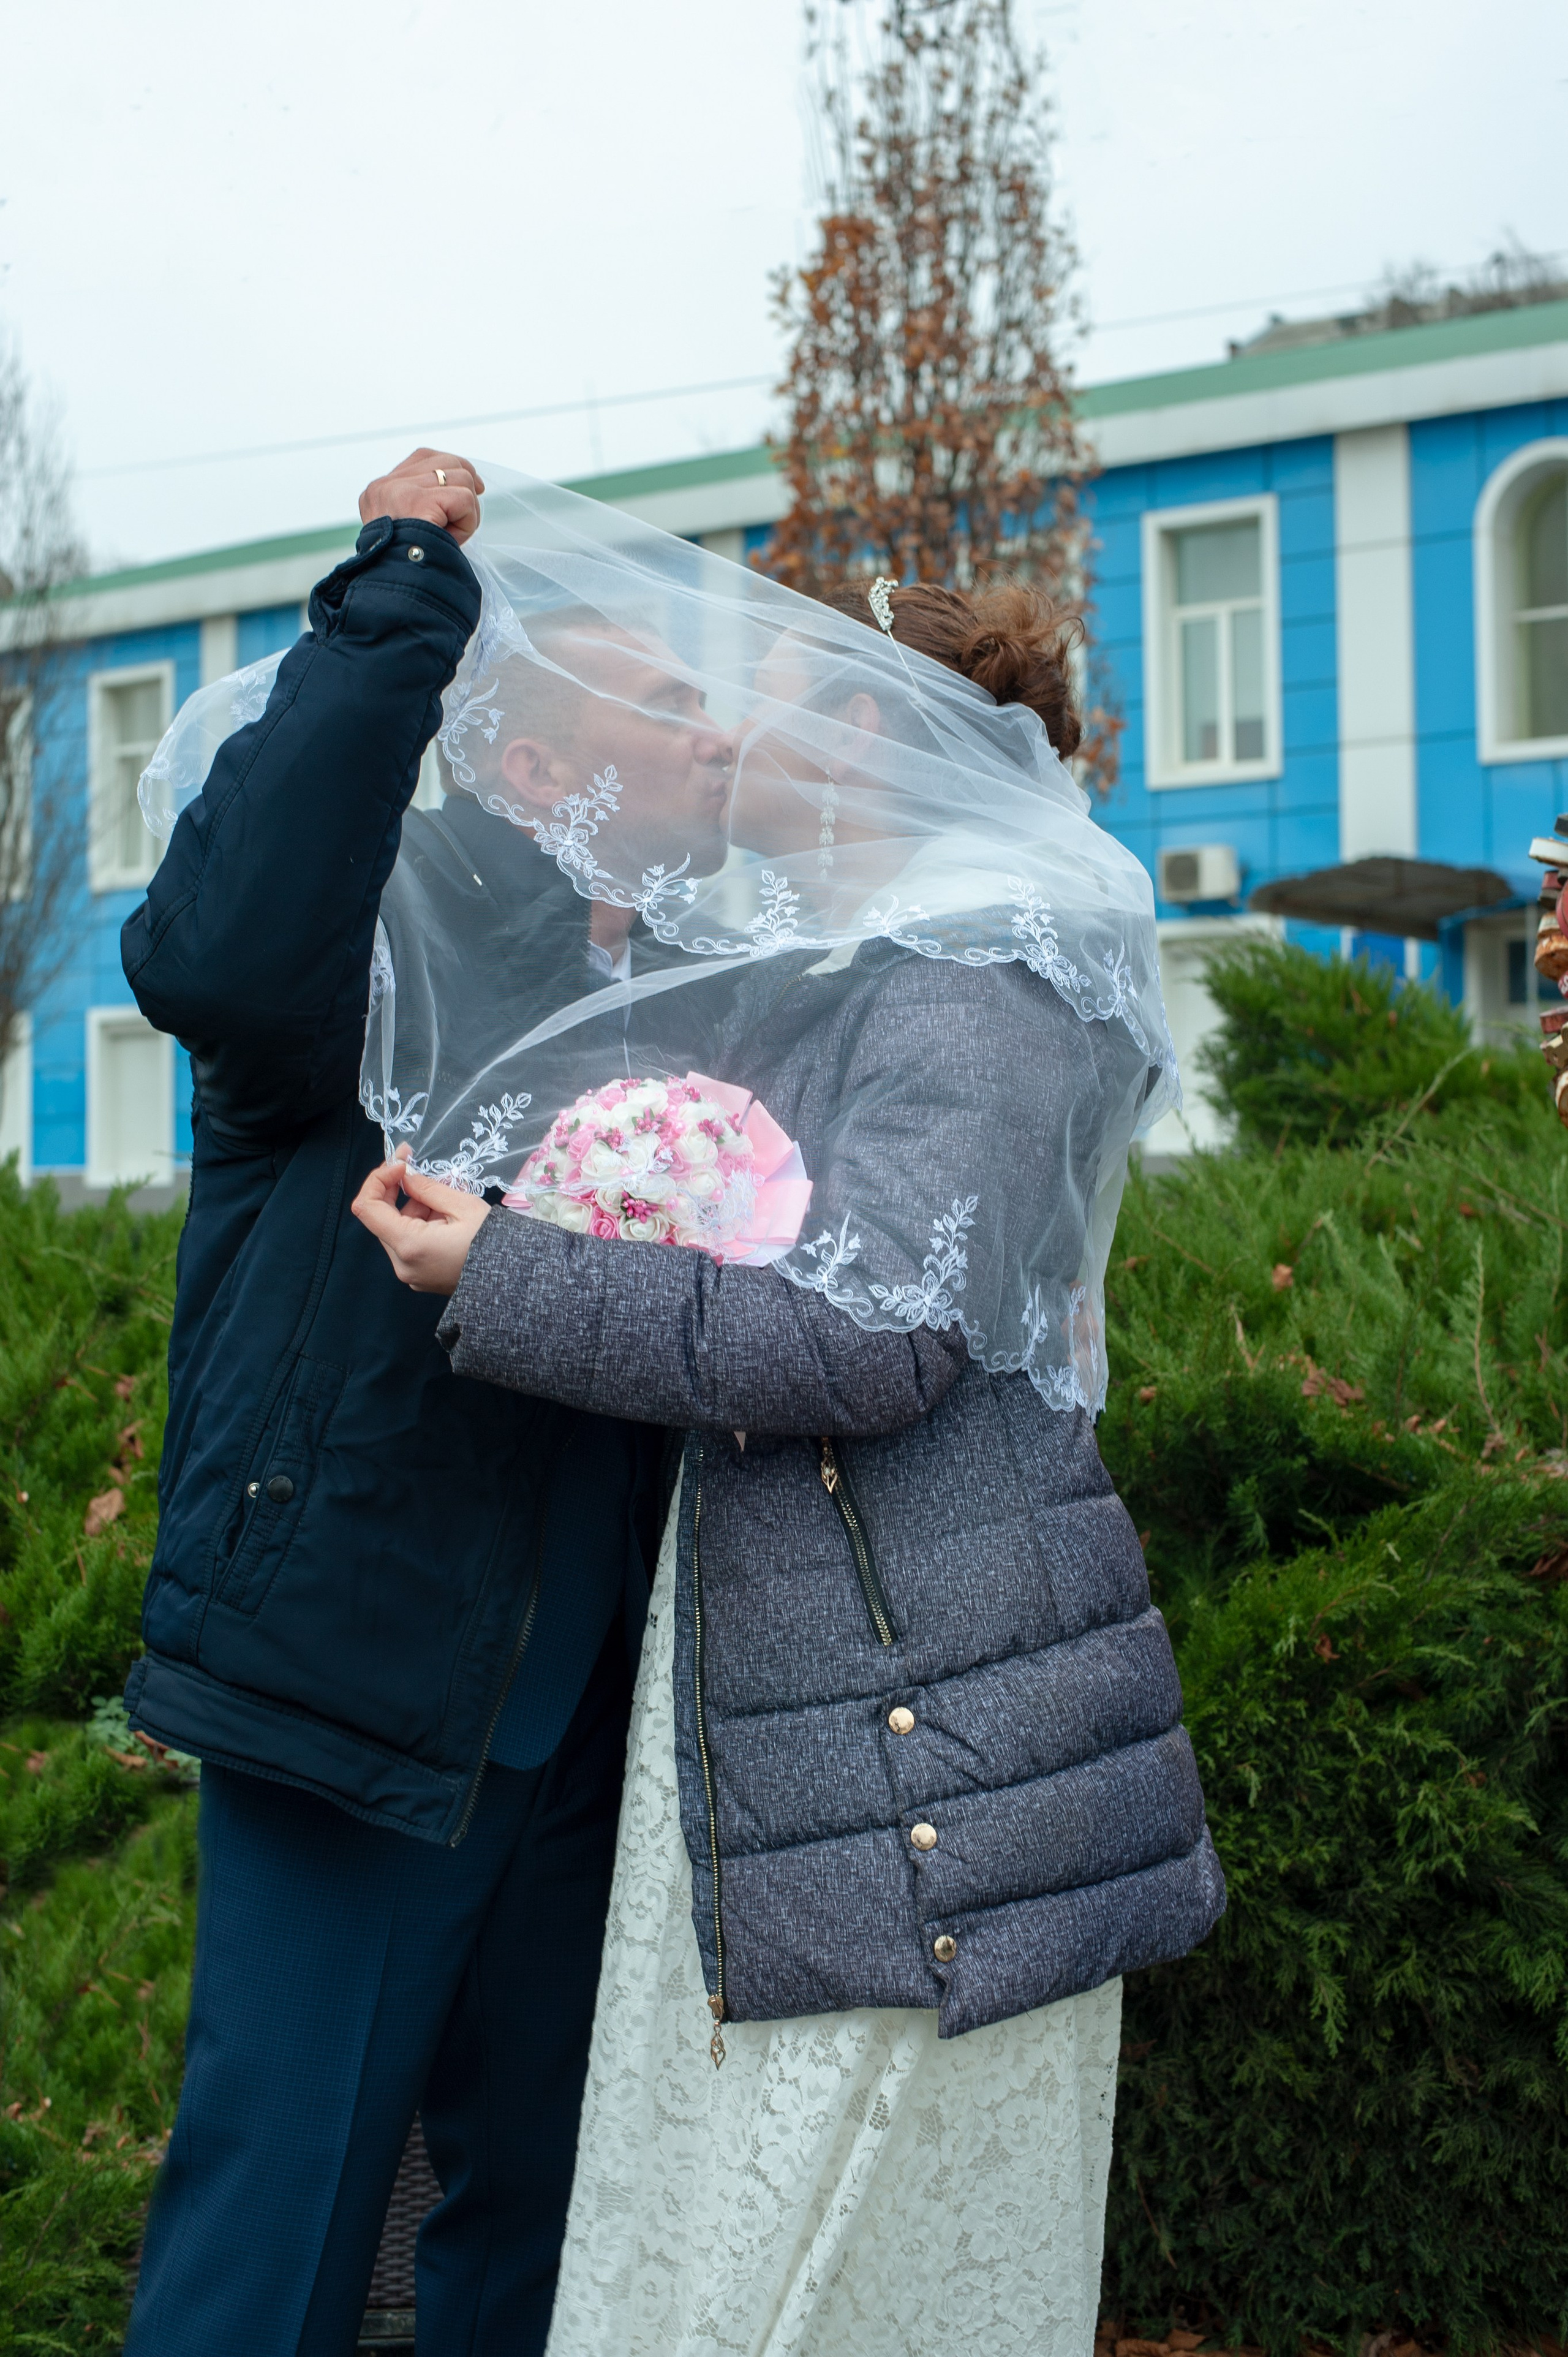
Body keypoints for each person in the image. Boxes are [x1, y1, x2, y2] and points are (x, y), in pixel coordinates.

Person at [350, 496, 1226, 2357]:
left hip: (915, 1730)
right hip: (849, 1692)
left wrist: (504, 1276)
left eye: (811, 705)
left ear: (903, 749)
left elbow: (871, 1339)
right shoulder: (899, 960)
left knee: (815, 2281)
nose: (754, 732)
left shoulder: (981, 982)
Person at [119, 449, 730, 2357]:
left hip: (584, 1729)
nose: (722, 743)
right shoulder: (373, 937)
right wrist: (402, 590)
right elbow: (205, 948)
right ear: (544, 770)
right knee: (285, 2238)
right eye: (676, 709)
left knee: (541, 2238)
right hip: (358, 1680)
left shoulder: (694, 985)